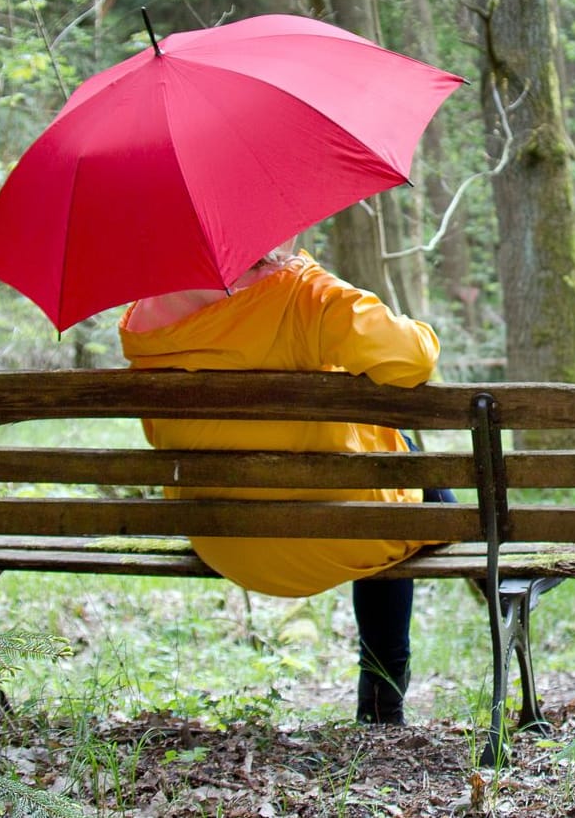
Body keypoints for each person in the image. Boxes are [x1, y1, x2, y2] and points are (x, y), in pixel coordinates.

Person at [118, 242, 442, 725]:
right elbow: (415, 359)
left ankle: (483, 573)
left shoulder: (147, 319)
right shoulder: (304, 293)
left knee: (407, 481)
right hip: (334, 535)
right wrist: (312, 278)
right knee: (405, 485)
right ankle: (382, 702)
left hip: (221, 537)